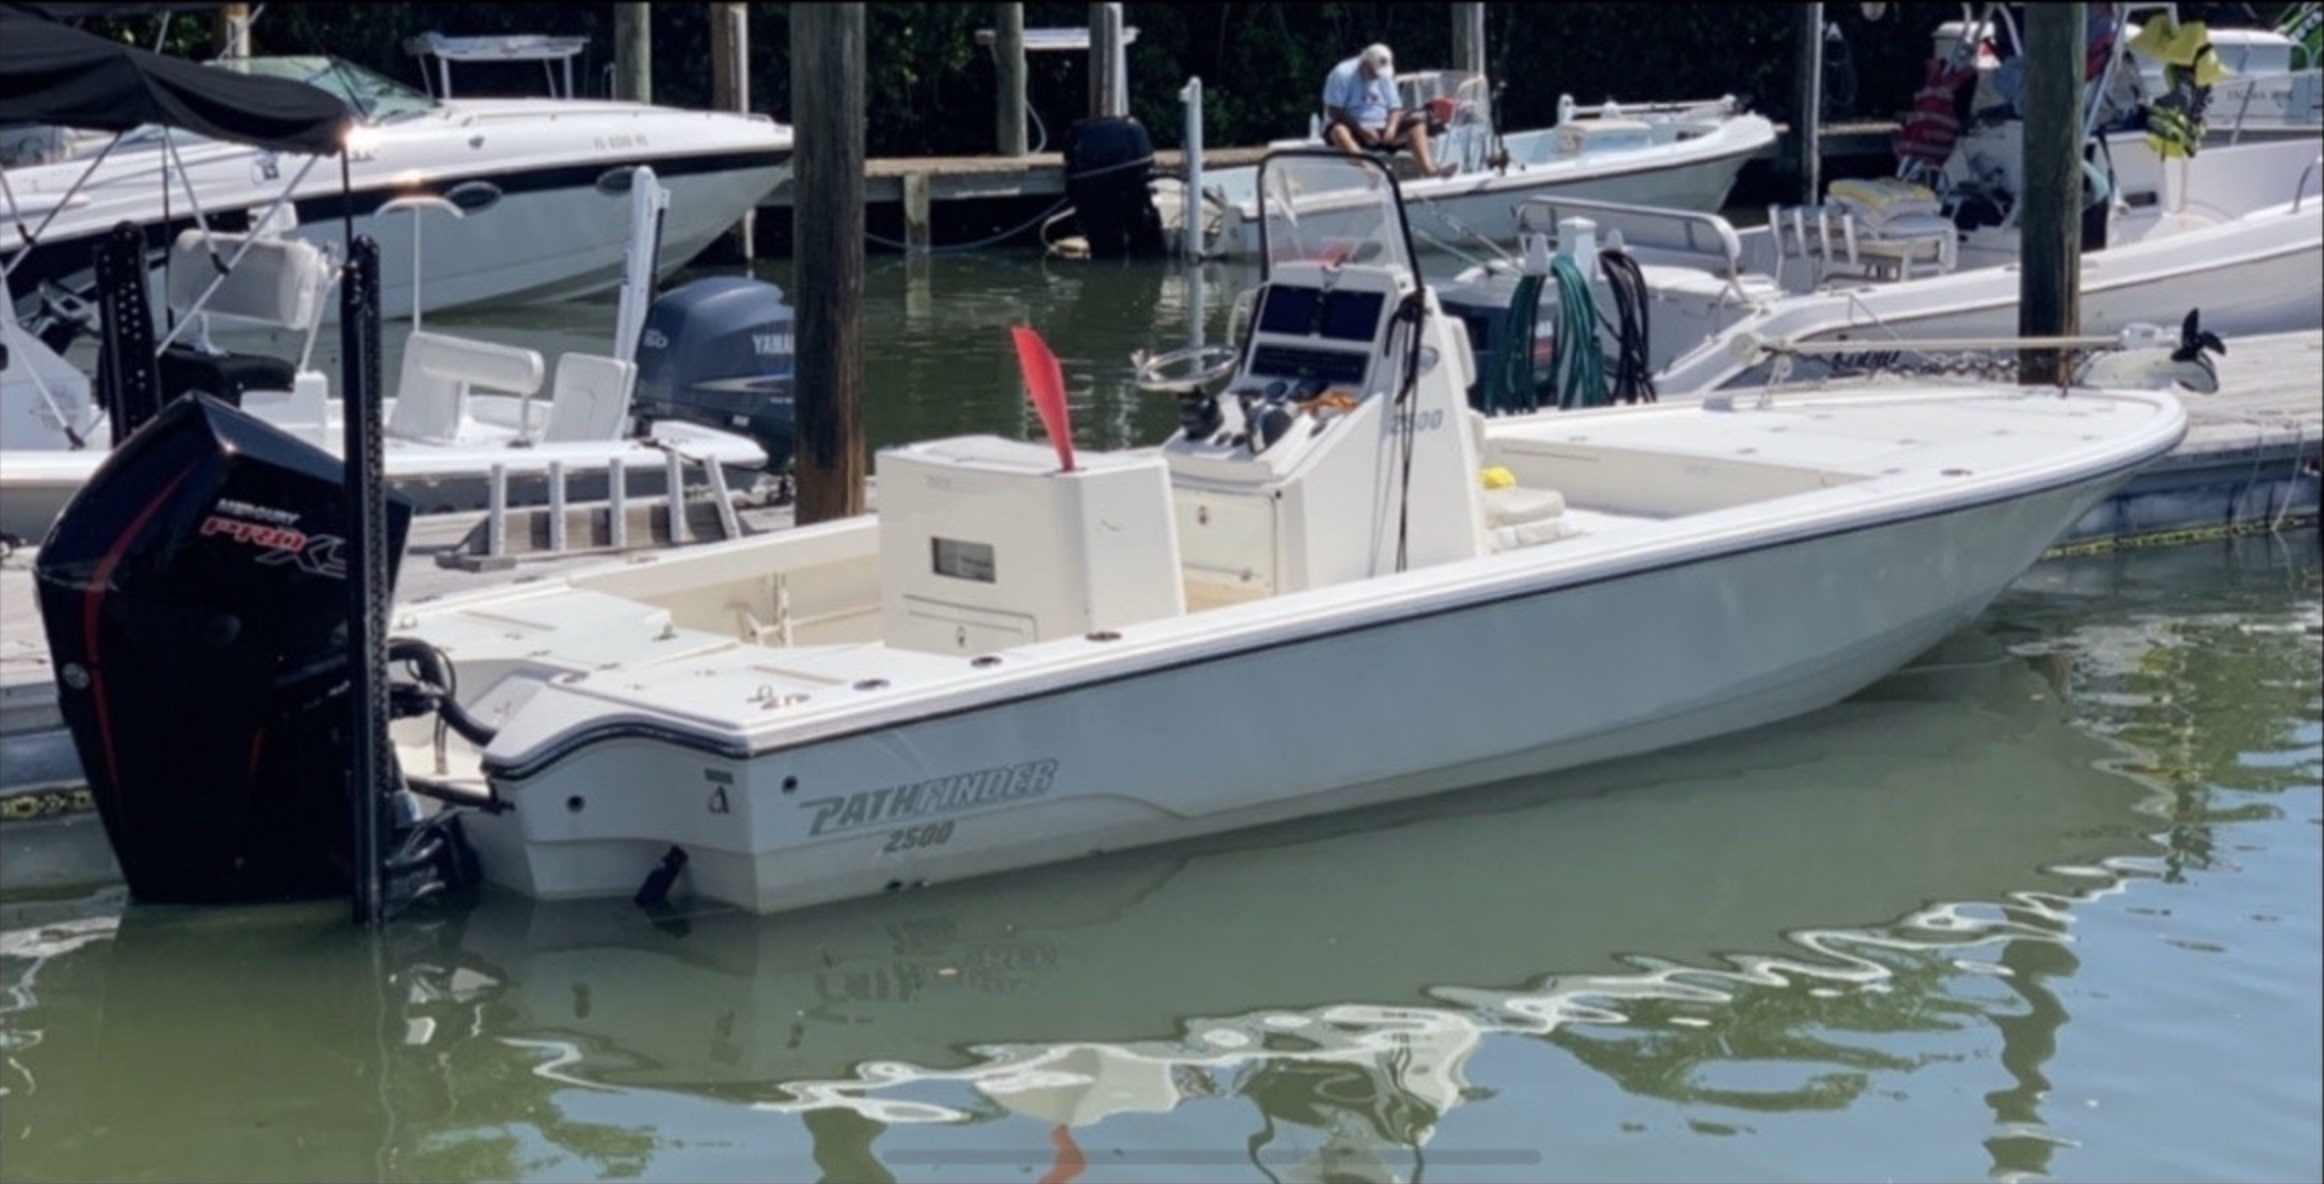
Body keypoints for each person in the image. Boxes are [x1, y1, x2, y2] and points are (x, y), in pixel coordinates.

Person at [1321, 43, 1455, 178]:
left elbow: (1395, 108)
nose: (1377, 76)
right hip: (1353, 127)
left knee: (1417, 125)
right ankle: (1368, 171)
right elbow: (1333, 110)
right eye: (1373, 72)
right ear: (1365, 64)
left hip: (1381, 127)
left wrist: (1391, 127)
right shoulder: (1342, 73)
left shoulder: (1385, 76)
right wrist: (1360, 128)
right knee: (1338, 131)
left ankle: (1430, 171)